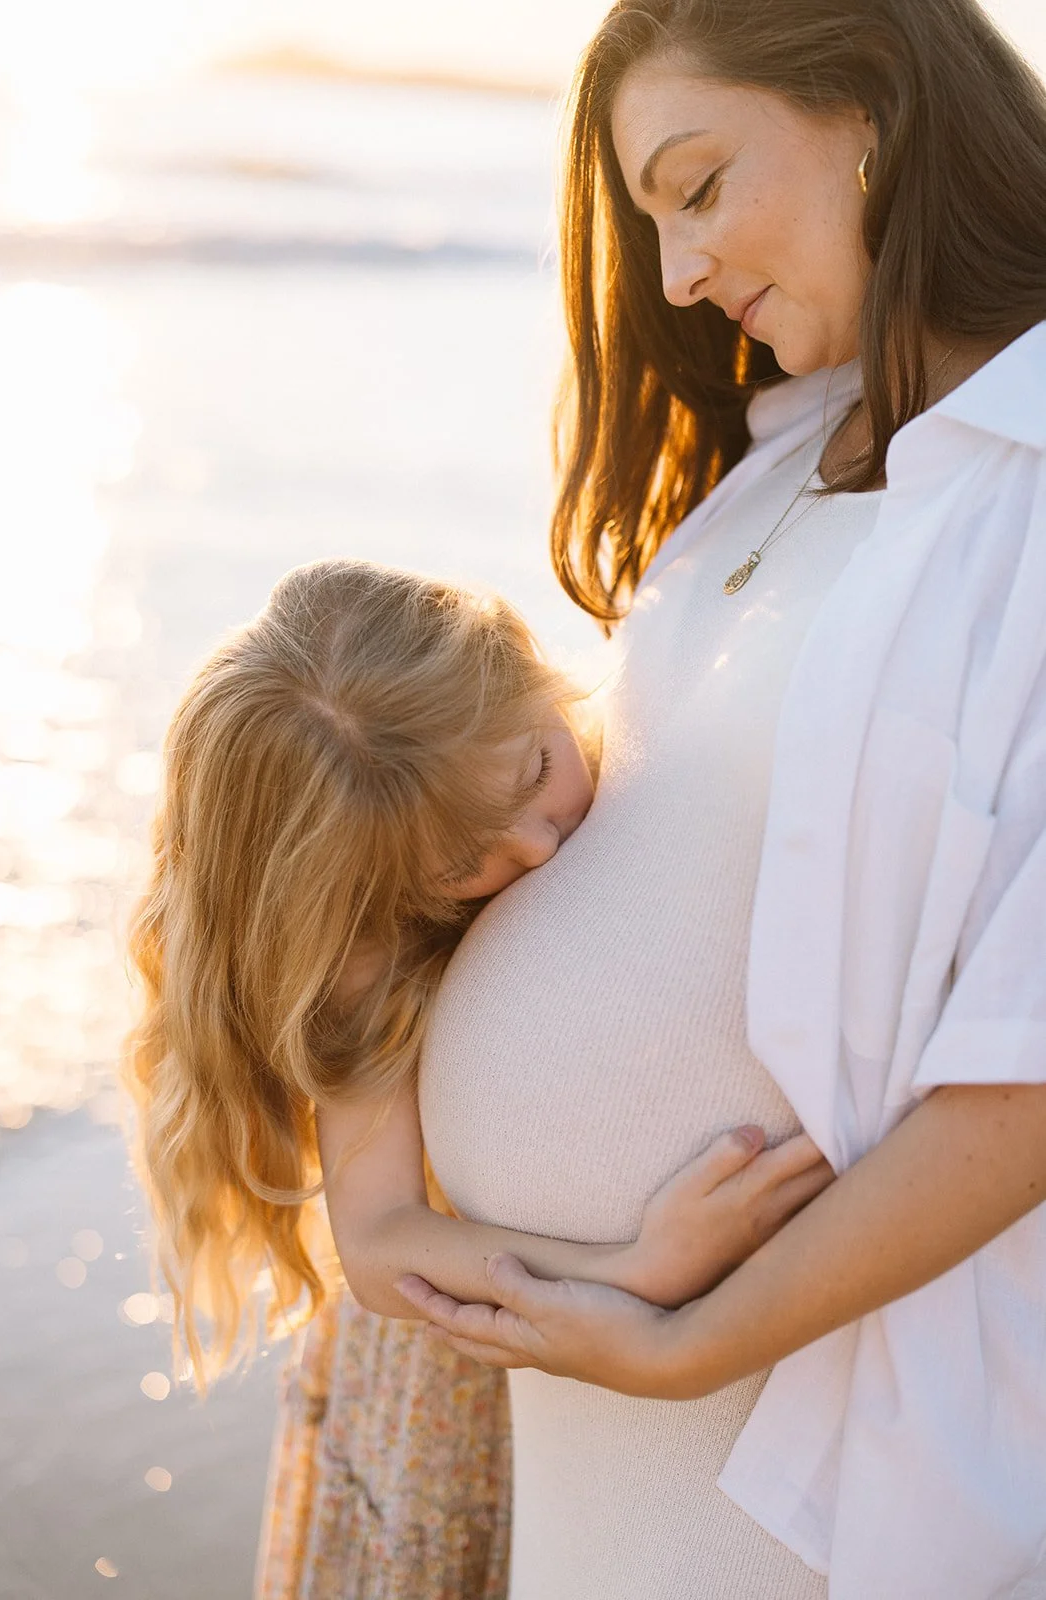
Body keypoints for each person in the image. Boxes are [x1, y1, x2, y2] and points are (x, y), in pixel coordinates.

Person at [391, 1, 1046, 1597]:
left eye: (695, 185)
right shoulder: (783, 457)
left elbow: (1023, 1077)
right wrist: (377, 1194)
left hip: (807, 1424)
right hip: (615, 1416)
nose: (676, 275)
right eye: (650, 220)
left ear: (871, 111)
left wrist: (687, 1341)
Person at [121, 559, 827, 1592]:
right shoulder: (365, 938)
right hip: (449, 1361)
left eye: (537, 773)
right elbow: (376, 1241)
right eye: (466, 869)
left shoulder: (594, 704)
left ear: (524, 665)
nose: (539, 844)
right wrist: (630, 1266)